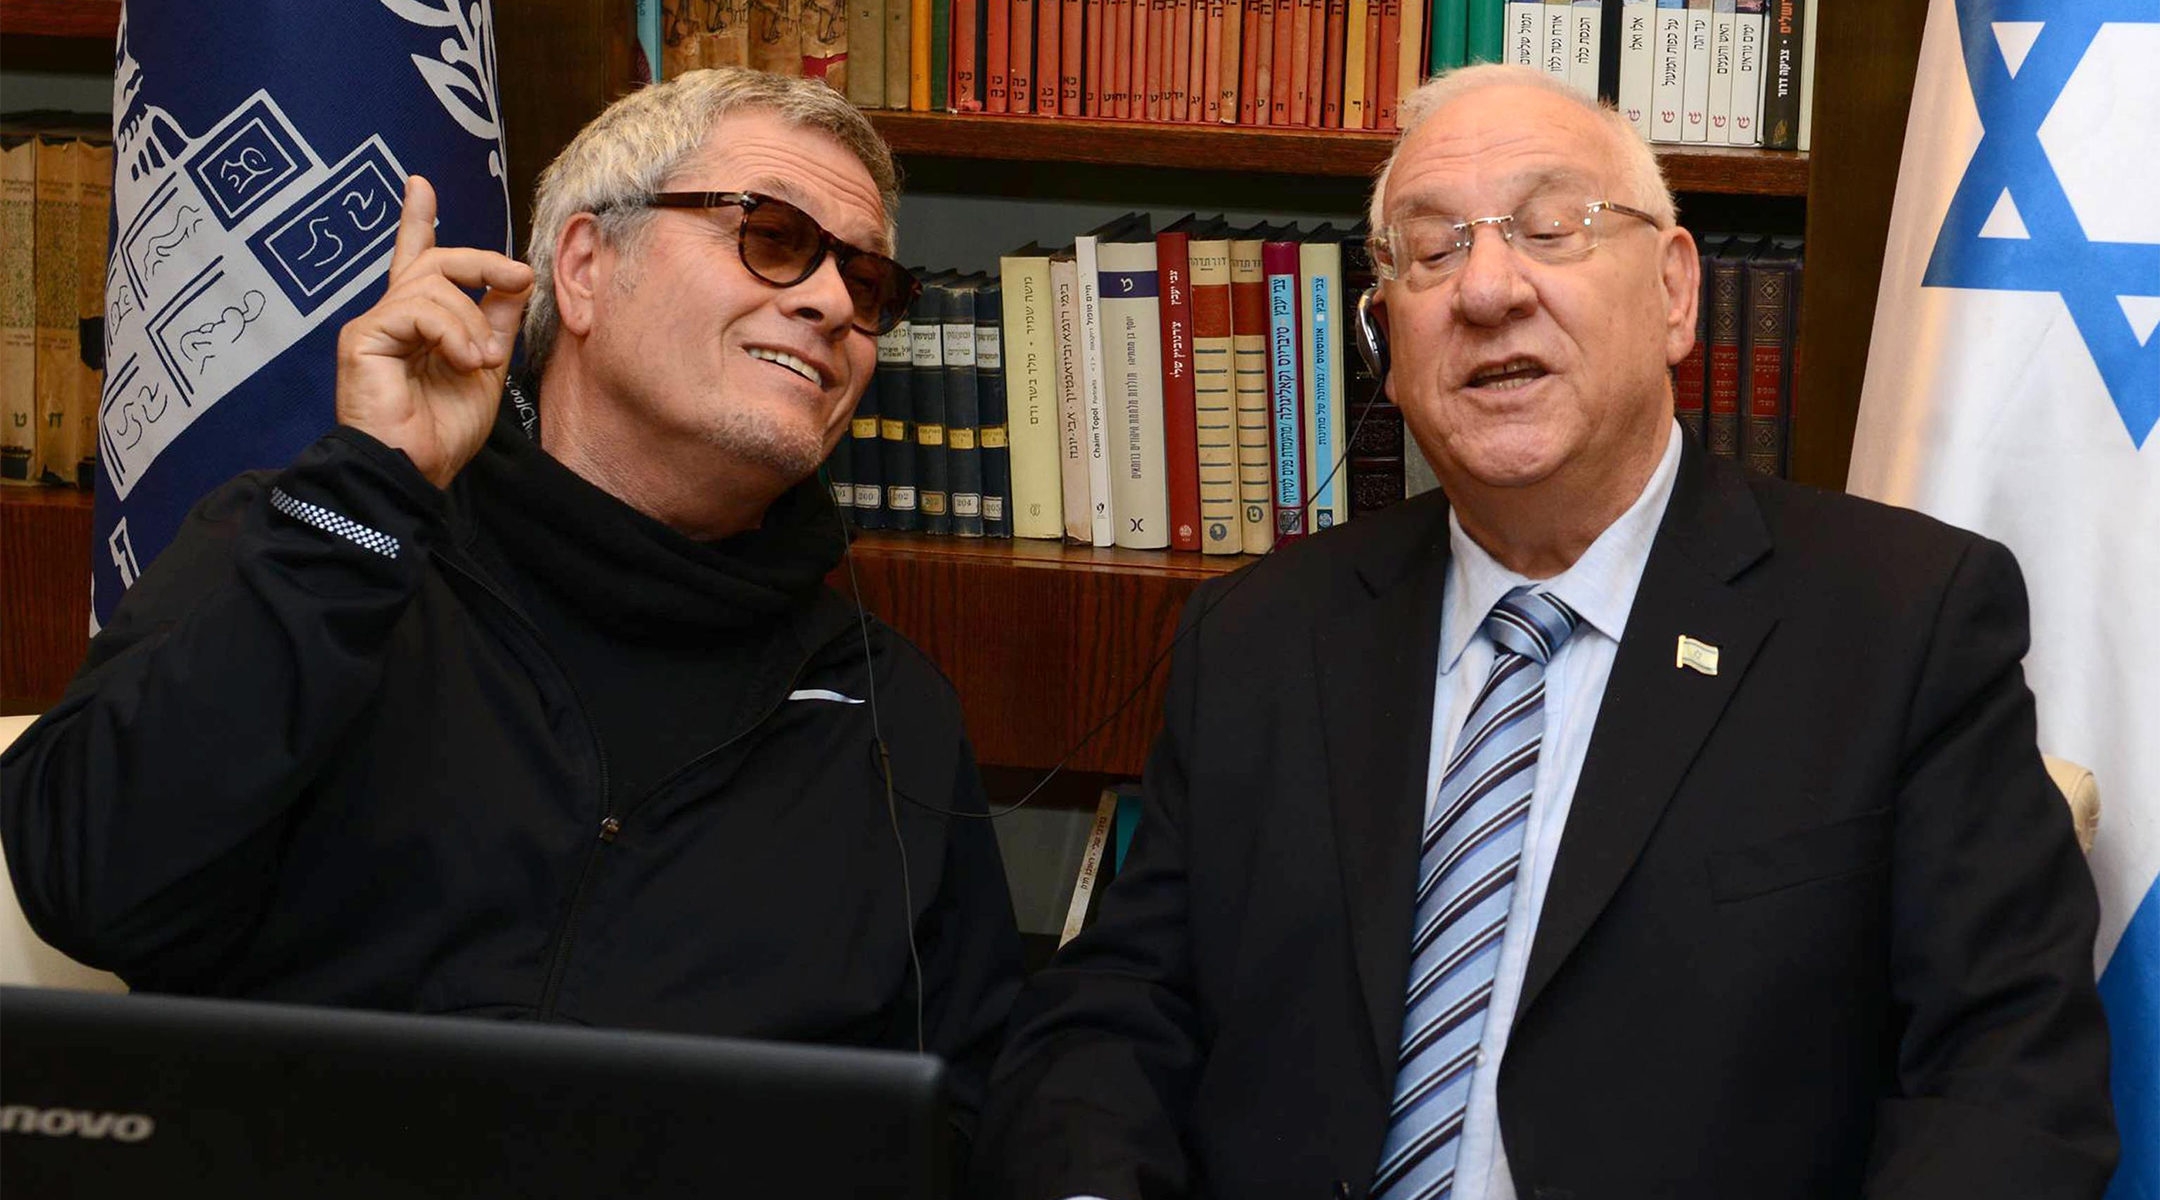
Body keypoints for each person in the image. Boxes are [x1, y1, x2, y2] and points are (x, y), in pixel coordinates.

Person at [973, 64, 2116, 1199]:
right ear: (1385, 334)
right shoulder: (1265, 632)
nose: (1486, 290)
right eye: (1431, 249)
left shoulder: (1899, 618)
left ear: (1676, 292)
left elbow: (2005, 1086)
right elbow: (1117, 1011)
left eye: (1552, 227)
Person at [1, 68, 1021, 1132]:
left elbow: (962, 1110)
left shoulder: (889, 706)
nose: (829, 304)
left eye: (867, 285)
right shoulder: (326, 545)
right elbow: (89, 879)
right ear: (582, 269)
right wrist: (368, 494)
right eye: (770, 234)